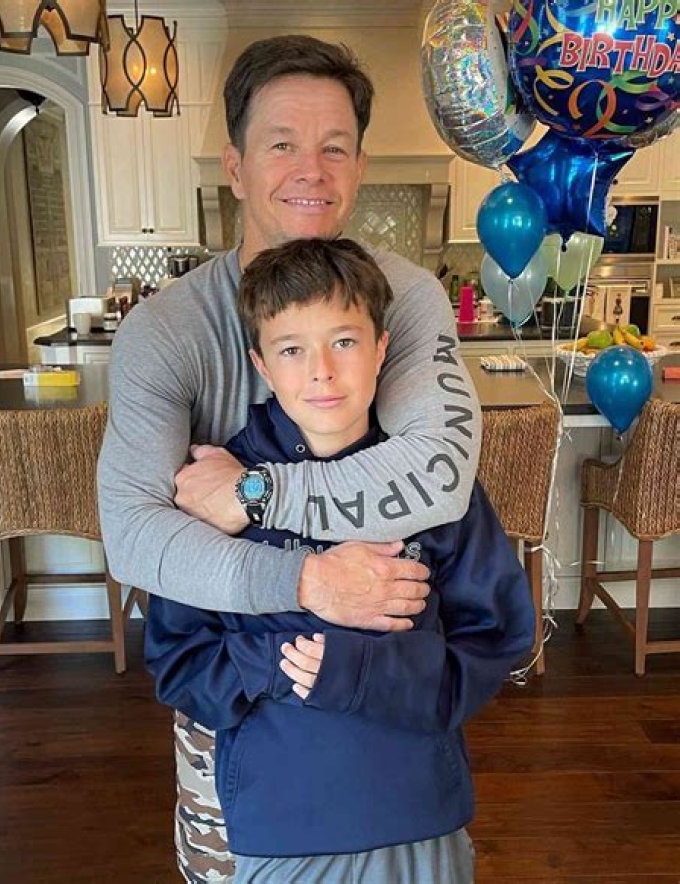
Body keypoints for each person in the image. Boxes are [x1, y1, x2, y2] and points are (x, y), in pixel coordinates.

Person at [98, 35, 482, 882]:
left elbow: (440, 474)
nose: (311, 169)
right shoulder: (166, 332)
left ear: (360, 166)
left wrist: (256, 494)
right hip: (242, 703)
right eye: (282, 144)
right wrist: (306, 582)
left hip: (389, 712)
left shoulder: (408, 299)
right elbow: (133, 535)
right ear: (235, 167)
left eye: (334, 147)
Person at [145, 237, 536, 884]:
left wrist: (362, 671)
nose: (321, 371)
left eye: (345, 341)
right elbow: (178, 660)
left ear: (382, 348)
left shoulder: (433, 485)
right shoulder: (217, 492)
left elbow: (496, 640)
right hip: (281, 827)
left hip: (418, 815)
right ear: (261, 364)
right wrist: (278, 661)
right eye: (291, 350)